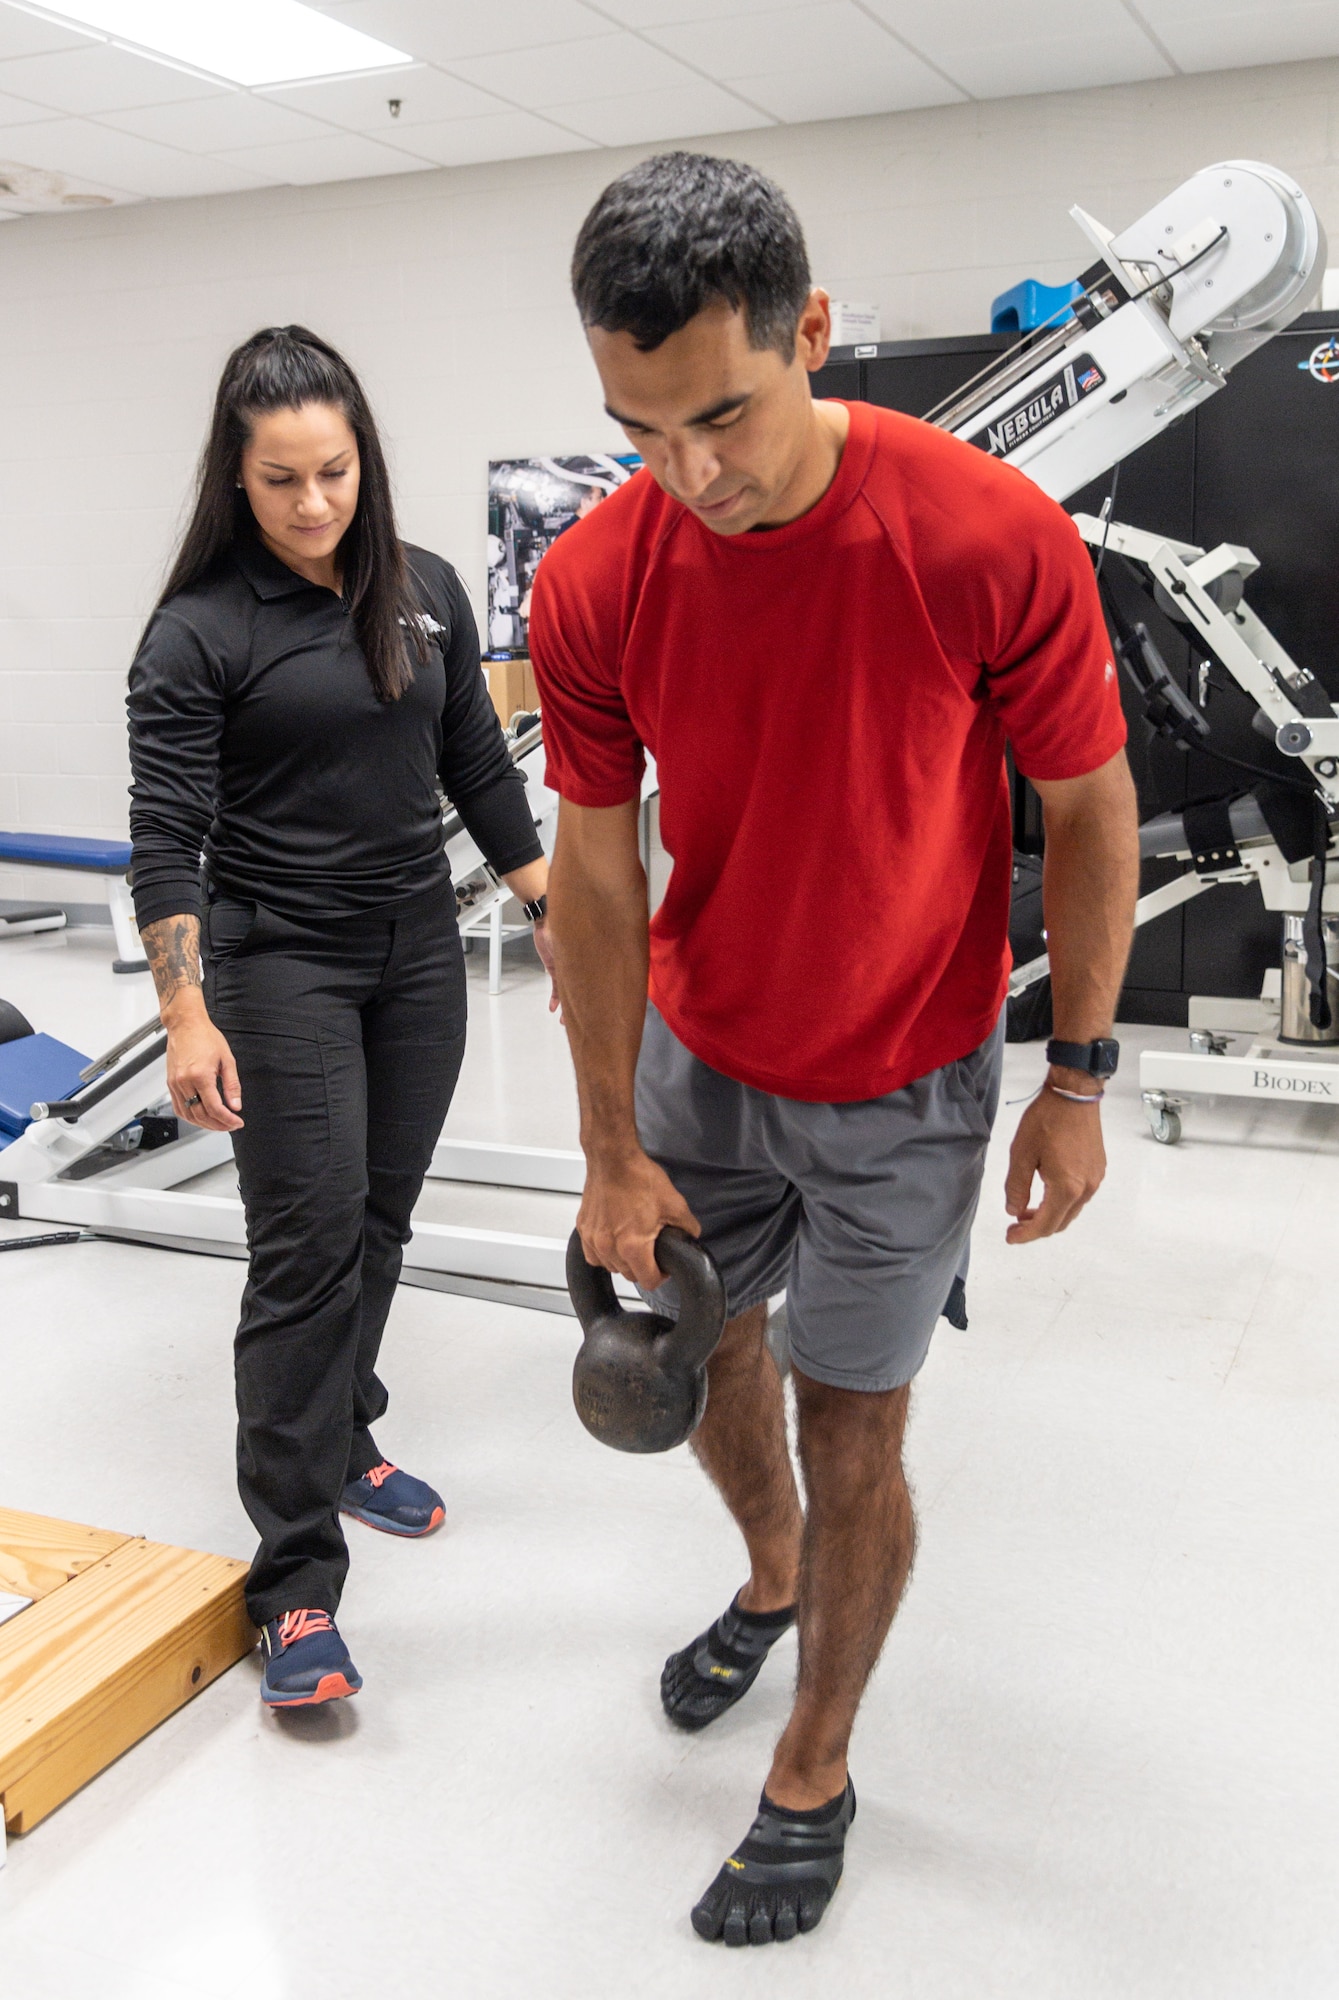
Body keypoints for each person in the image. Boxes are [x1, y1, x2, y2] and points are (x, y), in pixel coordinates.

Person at [530, 155, 1139, 1946]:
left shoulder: (979, 534)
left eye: (721, 412)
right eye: (642, 430)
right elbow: (590, 863)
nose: (690, 473)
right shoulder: (597, 576)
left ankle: (816, 1761)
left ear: (812, 332)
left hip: (905, 1081)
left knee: (853, 1422)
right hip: (697, 1064)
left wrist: (1080, 1077)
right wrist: (604, 1147)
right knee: (709, 1356)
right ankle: (771, 1572)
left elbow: (1091, 810)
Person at [127, 326, 552, 1709]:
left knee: (379, 1223)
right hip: (276, 964)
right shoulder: (198, 631)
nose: (314, 505)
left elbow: (475, 766)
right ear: (232, 483)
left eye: (334, 472)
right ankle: (295, 1583)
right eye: (280, 482)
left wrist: (559, 907)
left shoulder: (421, 588)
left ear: (362, 454)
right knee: (305, 1251)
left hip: (416, 954)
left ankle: (348, 1433)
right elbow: (166, 837)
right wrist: (188, 1014)